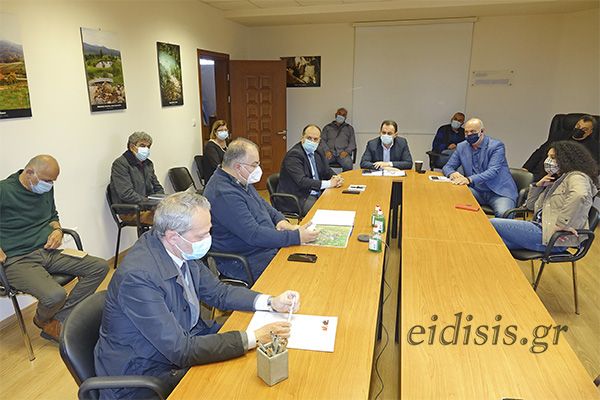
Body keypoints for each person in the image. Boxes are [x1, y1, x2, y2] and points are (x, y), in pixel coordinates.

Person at [94, 191, 298, 399]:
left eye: (209, 232)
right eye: (201, 236)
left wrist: (270, 302)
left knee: (262, 366)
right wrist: (253, 337)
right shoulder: (138, 278)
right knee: (243, 384)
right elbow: (180, 350)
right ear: (173, 236)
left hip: (185, 342)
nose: (208, 240)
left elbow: (218, 292)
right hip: (146, 373)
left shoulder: (178, 247)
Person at [0, 155, 108, 342]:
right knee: (55, 295)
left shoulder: (45, 188)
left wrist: (57, 230)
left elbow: (52, 216)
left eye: (52, 181)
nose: (49, 185)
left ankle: (59, 319)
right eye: (47, 180)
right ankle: (42, 320)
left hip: (47, 250)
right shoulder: (4, 190)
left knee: (99, 267)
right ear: (29, 172)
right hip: (18, 259)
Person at [203, 138, 318, 282]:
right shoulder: (223, 193)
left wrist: (281, 221)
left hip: (263, 247)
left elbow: (263, 204)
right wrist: (296, 237)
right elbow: (253, 234)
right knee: (299, 277)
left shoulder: (239, 179)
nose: (258, 169)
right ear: (238, 167)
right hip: (245, 259)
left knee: (310, 263)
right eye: (254, 165)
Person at [491, 141, 598, 252]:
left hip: (553, 238)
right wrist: (537, 186)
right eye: (548, 157)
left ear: (566, 159)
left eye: (553, 157)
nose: (548, 161)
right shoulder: (558, 180)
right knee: (493, 241)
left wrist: (562, 224)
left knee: (493, 224)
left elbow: (580, 195)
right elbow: (530, 206)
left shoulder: (577, 177)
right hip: (540, 229)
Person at [443, 118, 518, 217]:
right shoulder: (462, 147)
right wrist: (452, 173)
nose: (469, 134)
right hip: (476, 191)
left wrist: (469, 179)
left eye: (472, 131)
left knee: (503, 214)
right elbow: (448, 167)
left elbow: (492, 171)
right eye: (466, 132)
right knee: (452, 198)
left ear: (482, 131)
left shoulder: (496, 146)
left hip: (498, 192)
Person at [278, 125, 344, 216]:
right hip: (298, 197)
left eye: (315, 139)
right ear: (302, 138)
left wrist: (336, 178)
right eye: (309, 138)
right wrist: (329, 183)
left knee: (339, 202)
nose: (312, 141)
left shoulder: (318, 151)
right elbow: (302, 181)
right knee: (323, 213)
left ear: (319, 140)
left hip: (315, 191)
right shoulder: (294, 155)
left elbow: (326, 170)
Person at [110, 131, 164, 225]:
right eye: (142, 145)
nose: (146, 149)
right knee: (167, 220)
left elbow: (157, 187)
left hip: (148, 207)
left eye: (148, 146)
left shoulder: (148, 164)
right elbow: (126, 193)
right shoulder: (120, 164)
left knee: (176, 214)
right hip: (130, 211)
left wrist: (161, 200)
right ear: (132, 147)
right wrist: (149, 202)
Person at [523, 115, 599, 180]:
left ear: (590, 132)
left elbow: (594, 168)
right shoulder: (559, 136)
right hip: (542, 173)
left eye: (584, 129)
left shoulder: (594, 147)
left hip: (566, 179)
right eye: (578, 126)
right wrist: (526, 168)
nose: (579, 129)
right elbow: (540, 152)